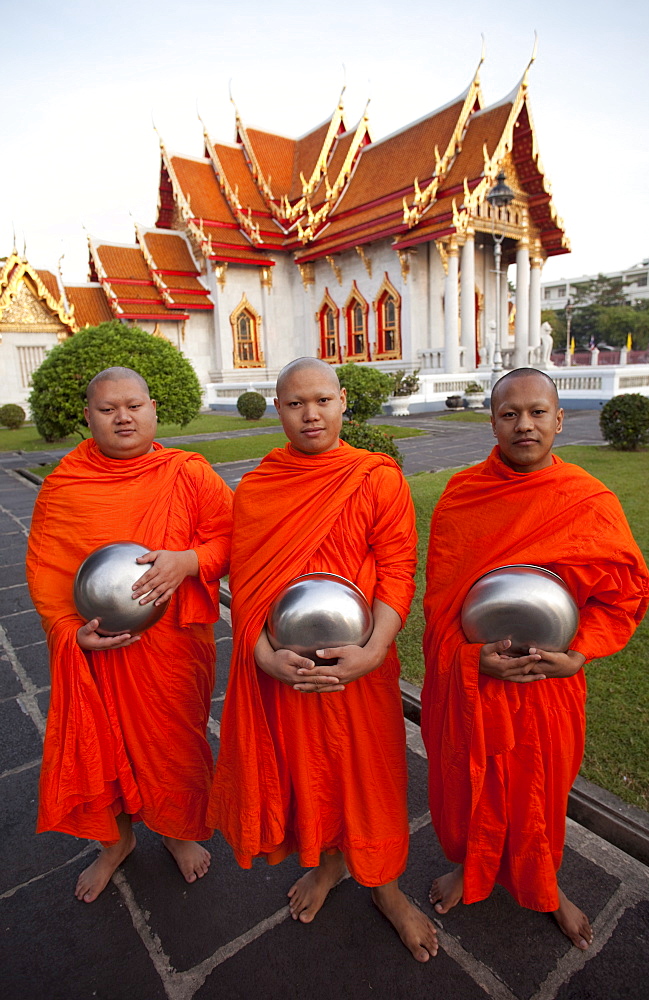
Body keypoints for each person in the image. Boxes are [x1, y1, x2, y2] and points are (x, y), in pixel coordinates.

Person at [207, 357, 438, 962]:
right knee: (311, 772)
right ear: (277, 409)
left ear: (342, 404)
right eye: (295, 403)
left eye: (321, 401)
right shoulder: (258, 488)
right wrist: (262, 655)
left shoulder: (375, 478)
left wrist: (374, 650)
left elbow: (396, 569)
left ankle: (385, 888)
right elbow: (248, 586)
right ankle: (329, 864)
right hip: (287, 672)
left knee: (368, 776)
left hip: (361, 664)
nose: (310, 414)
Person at [422, 368, 649, 950]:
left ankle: (547, 885)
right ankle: (470, 871)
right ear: (492, 420)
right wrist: (472, 660)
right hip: (481, 682)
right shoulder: (463, 496)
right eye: (509, 414)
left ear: (558, 418)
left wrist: (580, 654)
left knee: (543, 794)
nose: (524, 424)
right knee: (473, 787)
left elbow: (622, 595)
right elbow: (442, 605)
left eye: (537, 413)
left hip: (550, 686)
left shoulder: (587, 500)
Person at [26, 367, 233, 902]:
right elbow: (46, 573)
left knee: (173, 743)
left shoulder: (187, 472)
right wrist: (71, 633)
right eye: (107, 408)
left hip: (171, 649)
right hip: (97, 649)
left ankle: (175, 830)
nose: (123, 417)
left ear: (153, 408)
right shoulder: (64, 487)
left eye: (134, 406)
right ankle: (115, 842)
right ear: (88, 417)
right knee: (103, 744)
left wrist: (189, 560)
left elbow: (230, 538)